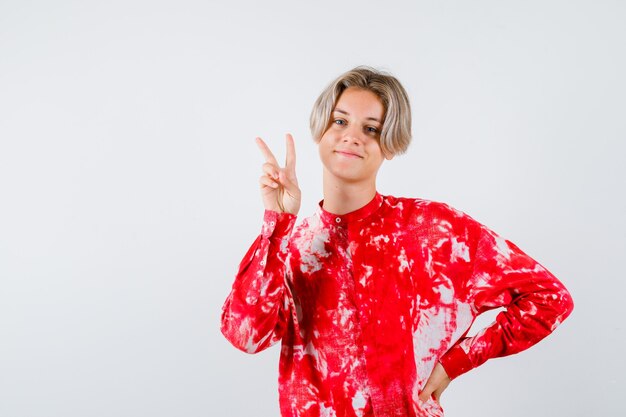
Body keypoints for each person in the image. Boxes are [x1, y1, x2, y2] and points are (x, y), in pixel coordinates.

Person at [220, 66, 574, 417]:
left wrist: (456, 361)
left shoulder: (434, 231)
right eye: (340, 121)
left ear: (390, 144)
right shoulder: (293, 246)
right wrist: (279, 223)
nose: (352, 136)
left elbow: (550, 298)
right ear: (321, 131)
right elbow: (245, 335)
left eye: (371, 129)